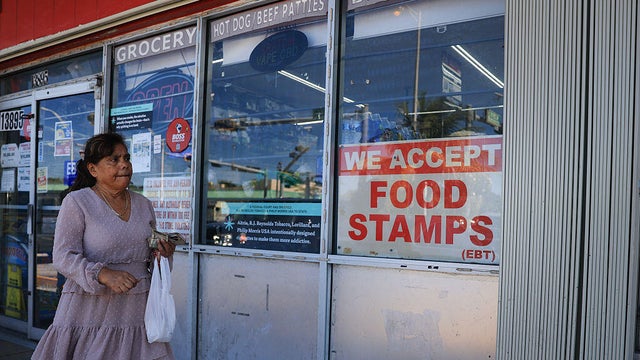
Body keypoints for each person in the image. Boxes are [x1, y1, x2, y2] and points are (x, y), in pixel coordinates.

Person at [32, 133, 176, 360]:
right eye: (114, 160)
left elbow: (149, 258)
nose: (124, 165)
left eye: (126, 158)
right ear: (93, 169)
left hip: (135, 310)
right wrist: (102, 273)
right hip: (89, 310)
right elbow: (62, 256)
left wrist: (162, 255)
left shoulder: (144, 204)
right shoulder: (78, 202)